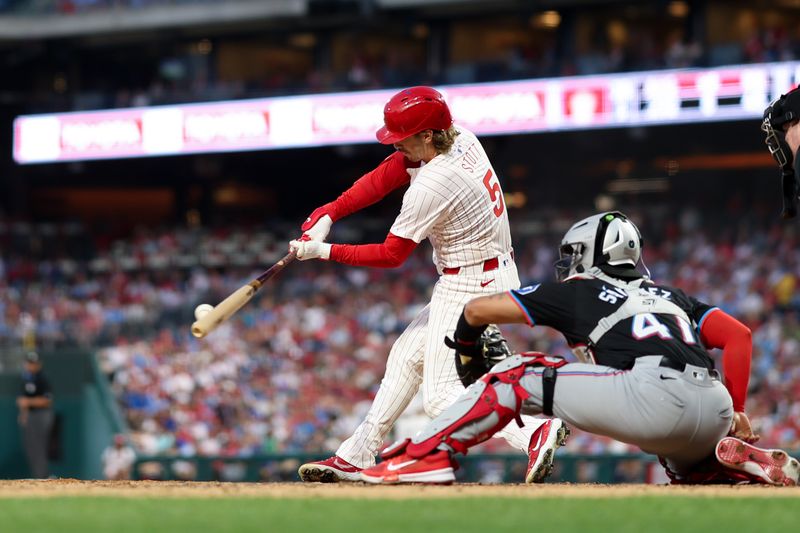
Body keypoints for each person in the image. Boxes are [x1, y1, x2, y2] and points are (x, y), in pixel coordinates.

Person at [360, 211, 800, 486]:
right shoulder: (672, 296)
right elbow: (738, 336)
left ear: (591, 252)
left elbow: (476, 309)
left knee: (515, 376)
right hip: (714, 410)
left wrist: (470, 352)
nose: (568, 262)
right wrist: (739, 409)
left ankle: (424, 457)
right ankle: (720, 467)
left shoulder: (579, 289)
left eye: (573, 253)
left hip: (654, 398)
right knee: (679, 459)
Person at [290, 86, 567, 483]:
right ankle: (357, 453)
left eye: (402, 137)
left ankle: (531, 430)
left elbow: (391, 254)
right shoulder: (459, 137)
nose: (396, 144)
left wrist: (323, 251)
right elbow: (387, 173)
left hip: (471, 282)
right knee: (406, 356)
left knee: (439, 398)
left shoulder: (434, 182)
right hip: (484, 270)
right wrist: (331, 211)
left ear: (426, 136)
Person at [17, 351, 54, 479]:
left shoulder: (42, 378)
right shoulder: (26, 378)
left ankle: (43, 476)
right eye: (29, 362)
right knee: (31, 447)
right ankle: (38, 476)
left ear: (38, 364)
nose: (30, 365)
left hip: (42, 414)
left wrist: (28, 402)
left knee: (40, 445)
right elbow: (24, 400)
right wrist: (23, 413)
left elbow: (47, 400)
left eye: (33, 363)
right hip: (31, 415)